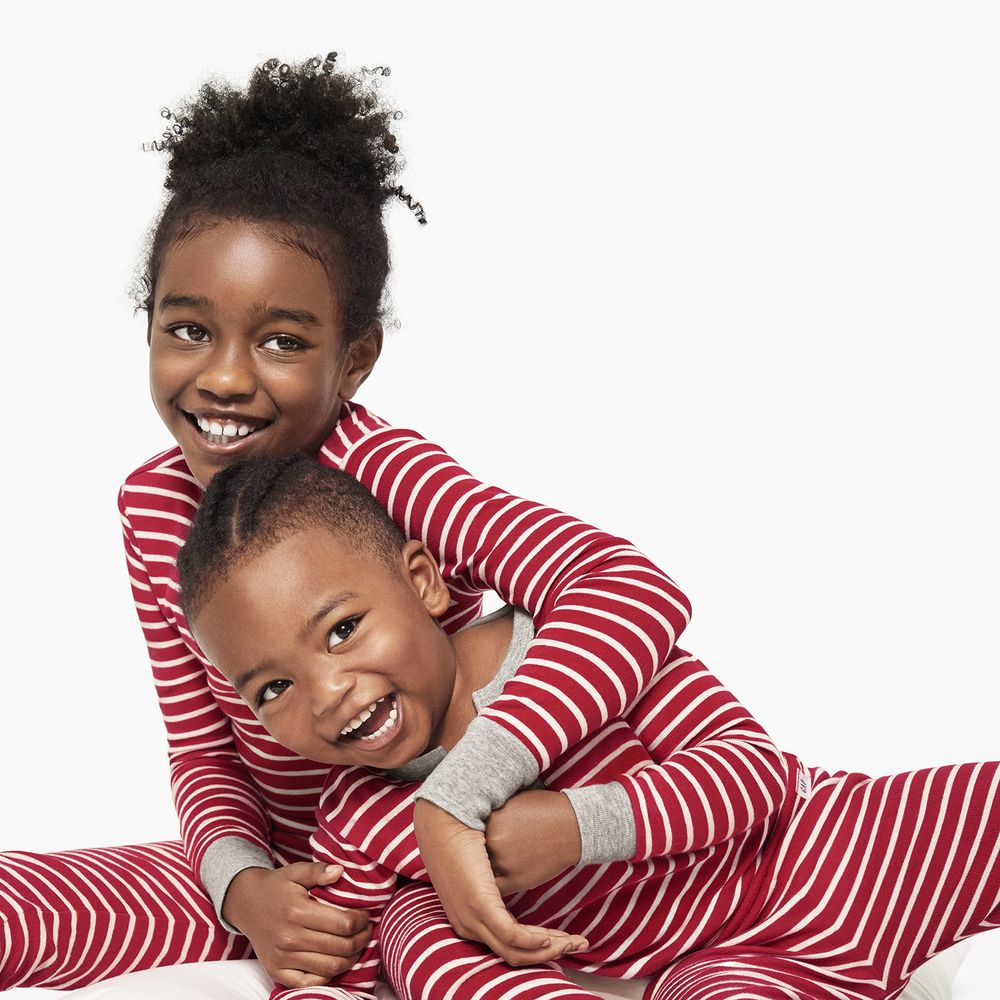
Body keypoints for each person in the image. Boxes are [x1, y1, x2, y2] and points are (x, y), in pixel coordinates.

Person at [0, 54, 689, 993]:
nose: (225, 377)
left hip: (439, 854)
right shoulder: (152, 510)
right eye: (188, 328)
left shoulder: (386, 474)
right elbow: (203, 752)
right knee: (31, 904)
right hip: (298, 877)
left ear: (355, 358)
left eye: (283, 340)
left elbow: (623, 588)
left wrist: (460, 799)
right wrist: (249, 895)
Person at [179, 453, 1000, 1000]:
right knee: (411, 932)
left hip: (815, 856)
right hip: (706, 968)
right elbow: (336, 970)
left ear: (423, 581)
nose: (326, 694)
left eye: (342, 630)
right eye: (274, 687)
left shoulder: (569, 653)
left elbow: (755, 775)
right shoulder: (358, 817)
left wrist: (575, 827)